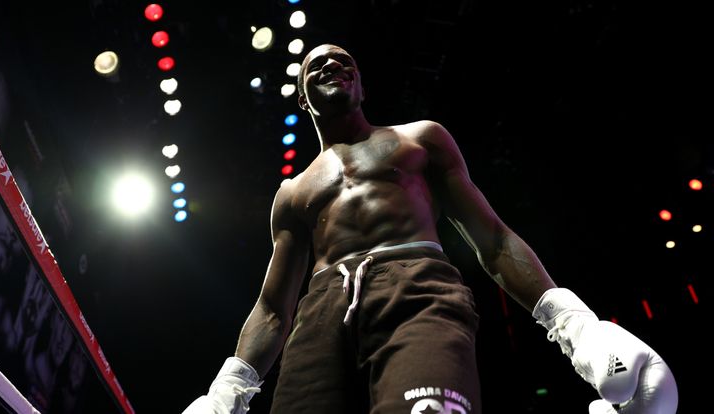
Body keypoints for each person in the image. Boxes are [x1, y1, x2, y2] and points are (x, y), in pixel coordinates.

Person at [184, 44, 678, 414]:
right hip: (320, 316)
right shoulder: (293, 193)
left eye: (343, 60)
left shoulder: (419, 140)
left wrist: (575, 325)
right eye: (316, 65)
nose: (331, 65)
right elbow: (273, 309)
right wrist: (229, 389)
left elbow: (494, 239)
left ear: (361, 84)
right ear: (303, 97)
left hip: (416, 291)